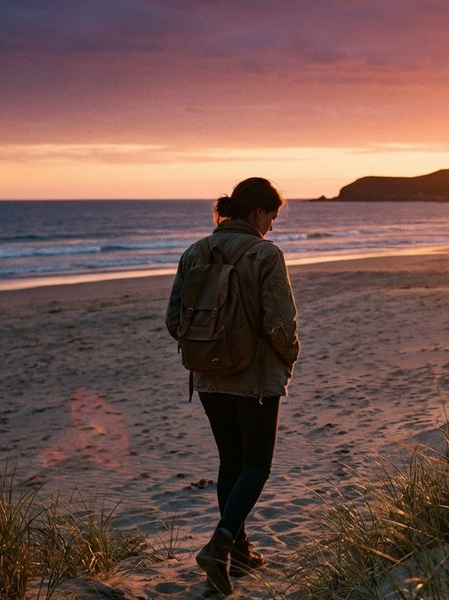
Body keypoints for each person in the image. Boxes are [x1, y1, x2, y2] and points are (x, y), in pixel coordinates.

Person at [165, 177, 300, 595]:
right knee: (257, 464)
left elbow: (175, 320)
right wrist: (290, 355)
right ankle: (221, 543)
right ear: (256, 212)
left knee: (231, 460)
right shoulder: (265, 254)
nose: (273, 226)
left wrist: (210, 350)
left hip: (207, 375)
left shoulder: (195, 252)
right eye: (271, 216)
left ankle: (239, 550)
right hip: (255, 377)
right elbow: (280, 321)